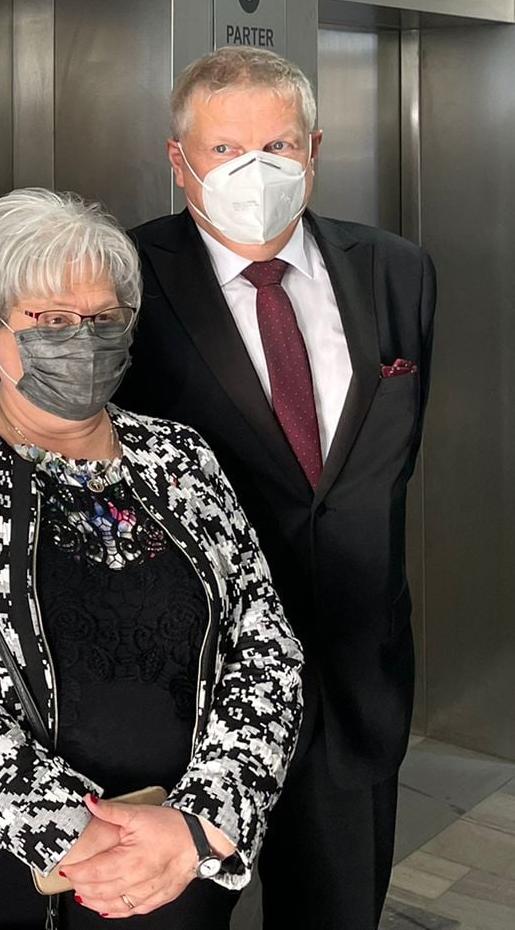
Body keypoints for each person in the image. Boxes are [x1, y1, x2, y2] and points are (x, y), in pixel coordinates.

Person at [0, 188, 302, 929]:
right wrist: (72, 829)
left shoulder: (179, 457)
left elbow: (266, 645)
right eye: (52, 320)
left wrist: (203, 822)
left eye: (104, 319)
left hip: (177, 866)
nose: (84, 339)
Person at [115, 47, 437, 930]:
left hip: (353, 682)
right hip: (183, 705)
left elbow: (382, 470)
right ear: (178, 160)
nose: (254, 168)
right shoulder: (121, 281)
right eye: (225, 149)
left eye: (279, 145)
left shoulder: (397, 270)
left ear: (314, 150)